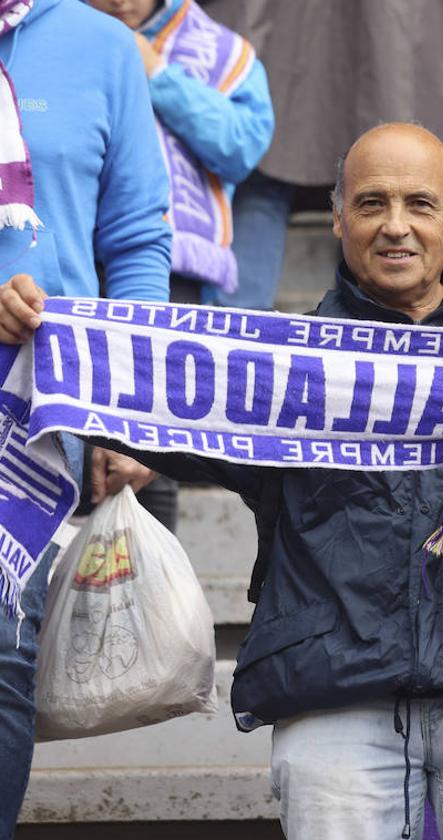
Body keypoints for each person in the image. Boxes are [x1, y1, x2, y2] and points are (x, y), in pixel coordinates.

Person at [0, 123, 443, 840]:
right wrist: (38, 337)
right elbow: (141, 399)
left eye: (420, 203)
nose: (395, 226)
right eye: (371, 202)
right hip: (332, 703)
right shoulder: (274, 362)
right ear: (336, 215)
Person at [0, 0, 172, 835]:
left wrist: (124, 412)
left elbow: (137, 241)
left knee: (3, 651)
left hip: (38, 413)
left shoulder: (102, 47)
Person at [84, 0, 273, 533]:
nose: (121, 1)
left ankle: (142, 588)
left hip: (176, 267)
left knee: (151, 436)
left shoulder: (220, 50)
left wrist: (157, 73)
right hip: (77, 256)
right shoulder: (58, 33)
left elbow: (243, 145)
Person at [201, 0, 443, 310]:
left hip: (390, 28)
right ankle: (231, 344)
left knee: (398, 172)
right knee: (258, 172)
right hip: (279, 23)